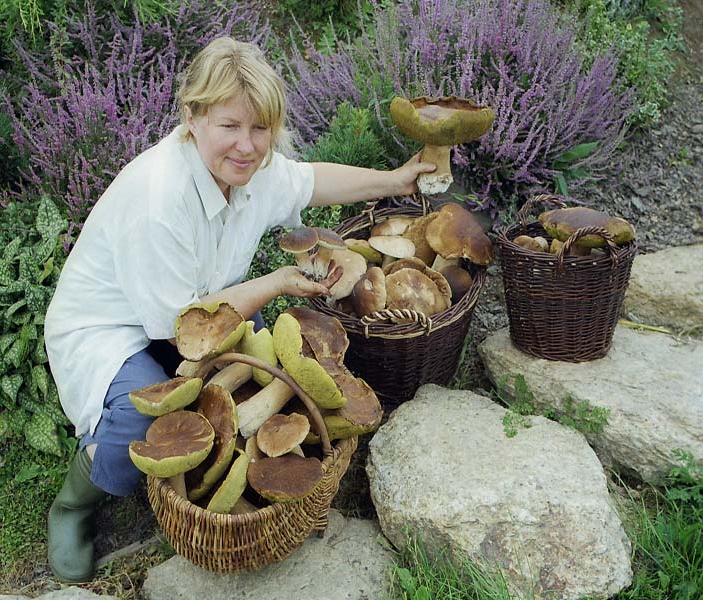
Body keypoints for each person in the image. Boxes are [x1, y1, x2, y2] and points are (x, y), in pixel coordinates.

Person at [43, 35, 434, 583]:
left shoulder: (248, 168)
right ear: (192, 117)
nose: (247, 146)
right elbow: (182, 331)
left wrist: (393, 180)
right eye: (229, 125)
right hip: (113, 329)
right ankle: (74, 504)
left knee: (249, 372)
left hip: (195, 310)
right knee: (142, 415)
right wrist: (276, 283)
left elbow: (311, 181)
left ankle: (222, 466)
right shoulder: (159, 198)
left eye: (260, 127)